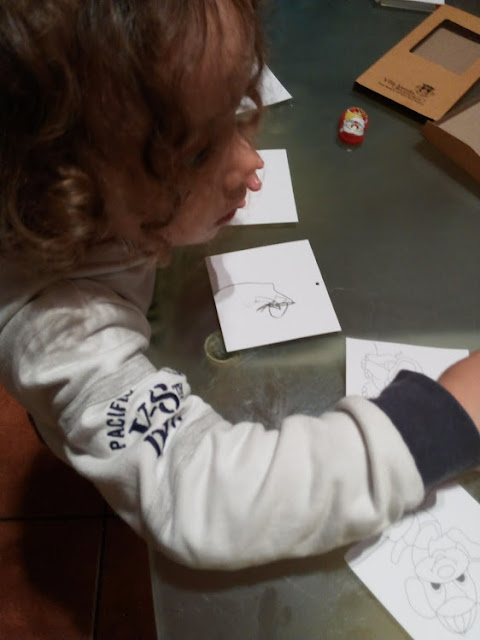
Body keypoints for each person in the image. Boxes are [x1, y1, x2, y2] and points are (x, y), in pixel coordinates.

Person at [0, 0, 479, 571]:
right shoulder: (56, 330)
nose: (251, 162)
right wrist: (440, 420)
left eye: (236, 113)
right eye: (199, 151)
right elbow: (201, 495)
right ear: (66, 195)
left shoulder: (96, 195)